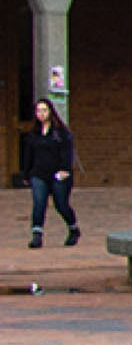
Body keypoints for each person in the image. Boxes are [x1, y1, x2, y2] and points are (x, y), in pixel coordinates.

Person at [21, 98, 75, 247]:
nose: (41, 114)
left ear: (50, 112)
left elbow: (67, 152)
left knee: (61, 204)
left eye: (44, 110)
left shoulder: (61, 133)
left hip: (58, 174)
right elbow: (28, 156)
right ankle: (37, 235)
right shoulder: (33, 135)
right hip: (39, 174)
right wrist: (26, 175)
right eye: (38, 111)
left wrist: (65, 170)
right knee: (39, 203)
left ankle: (73, 228)